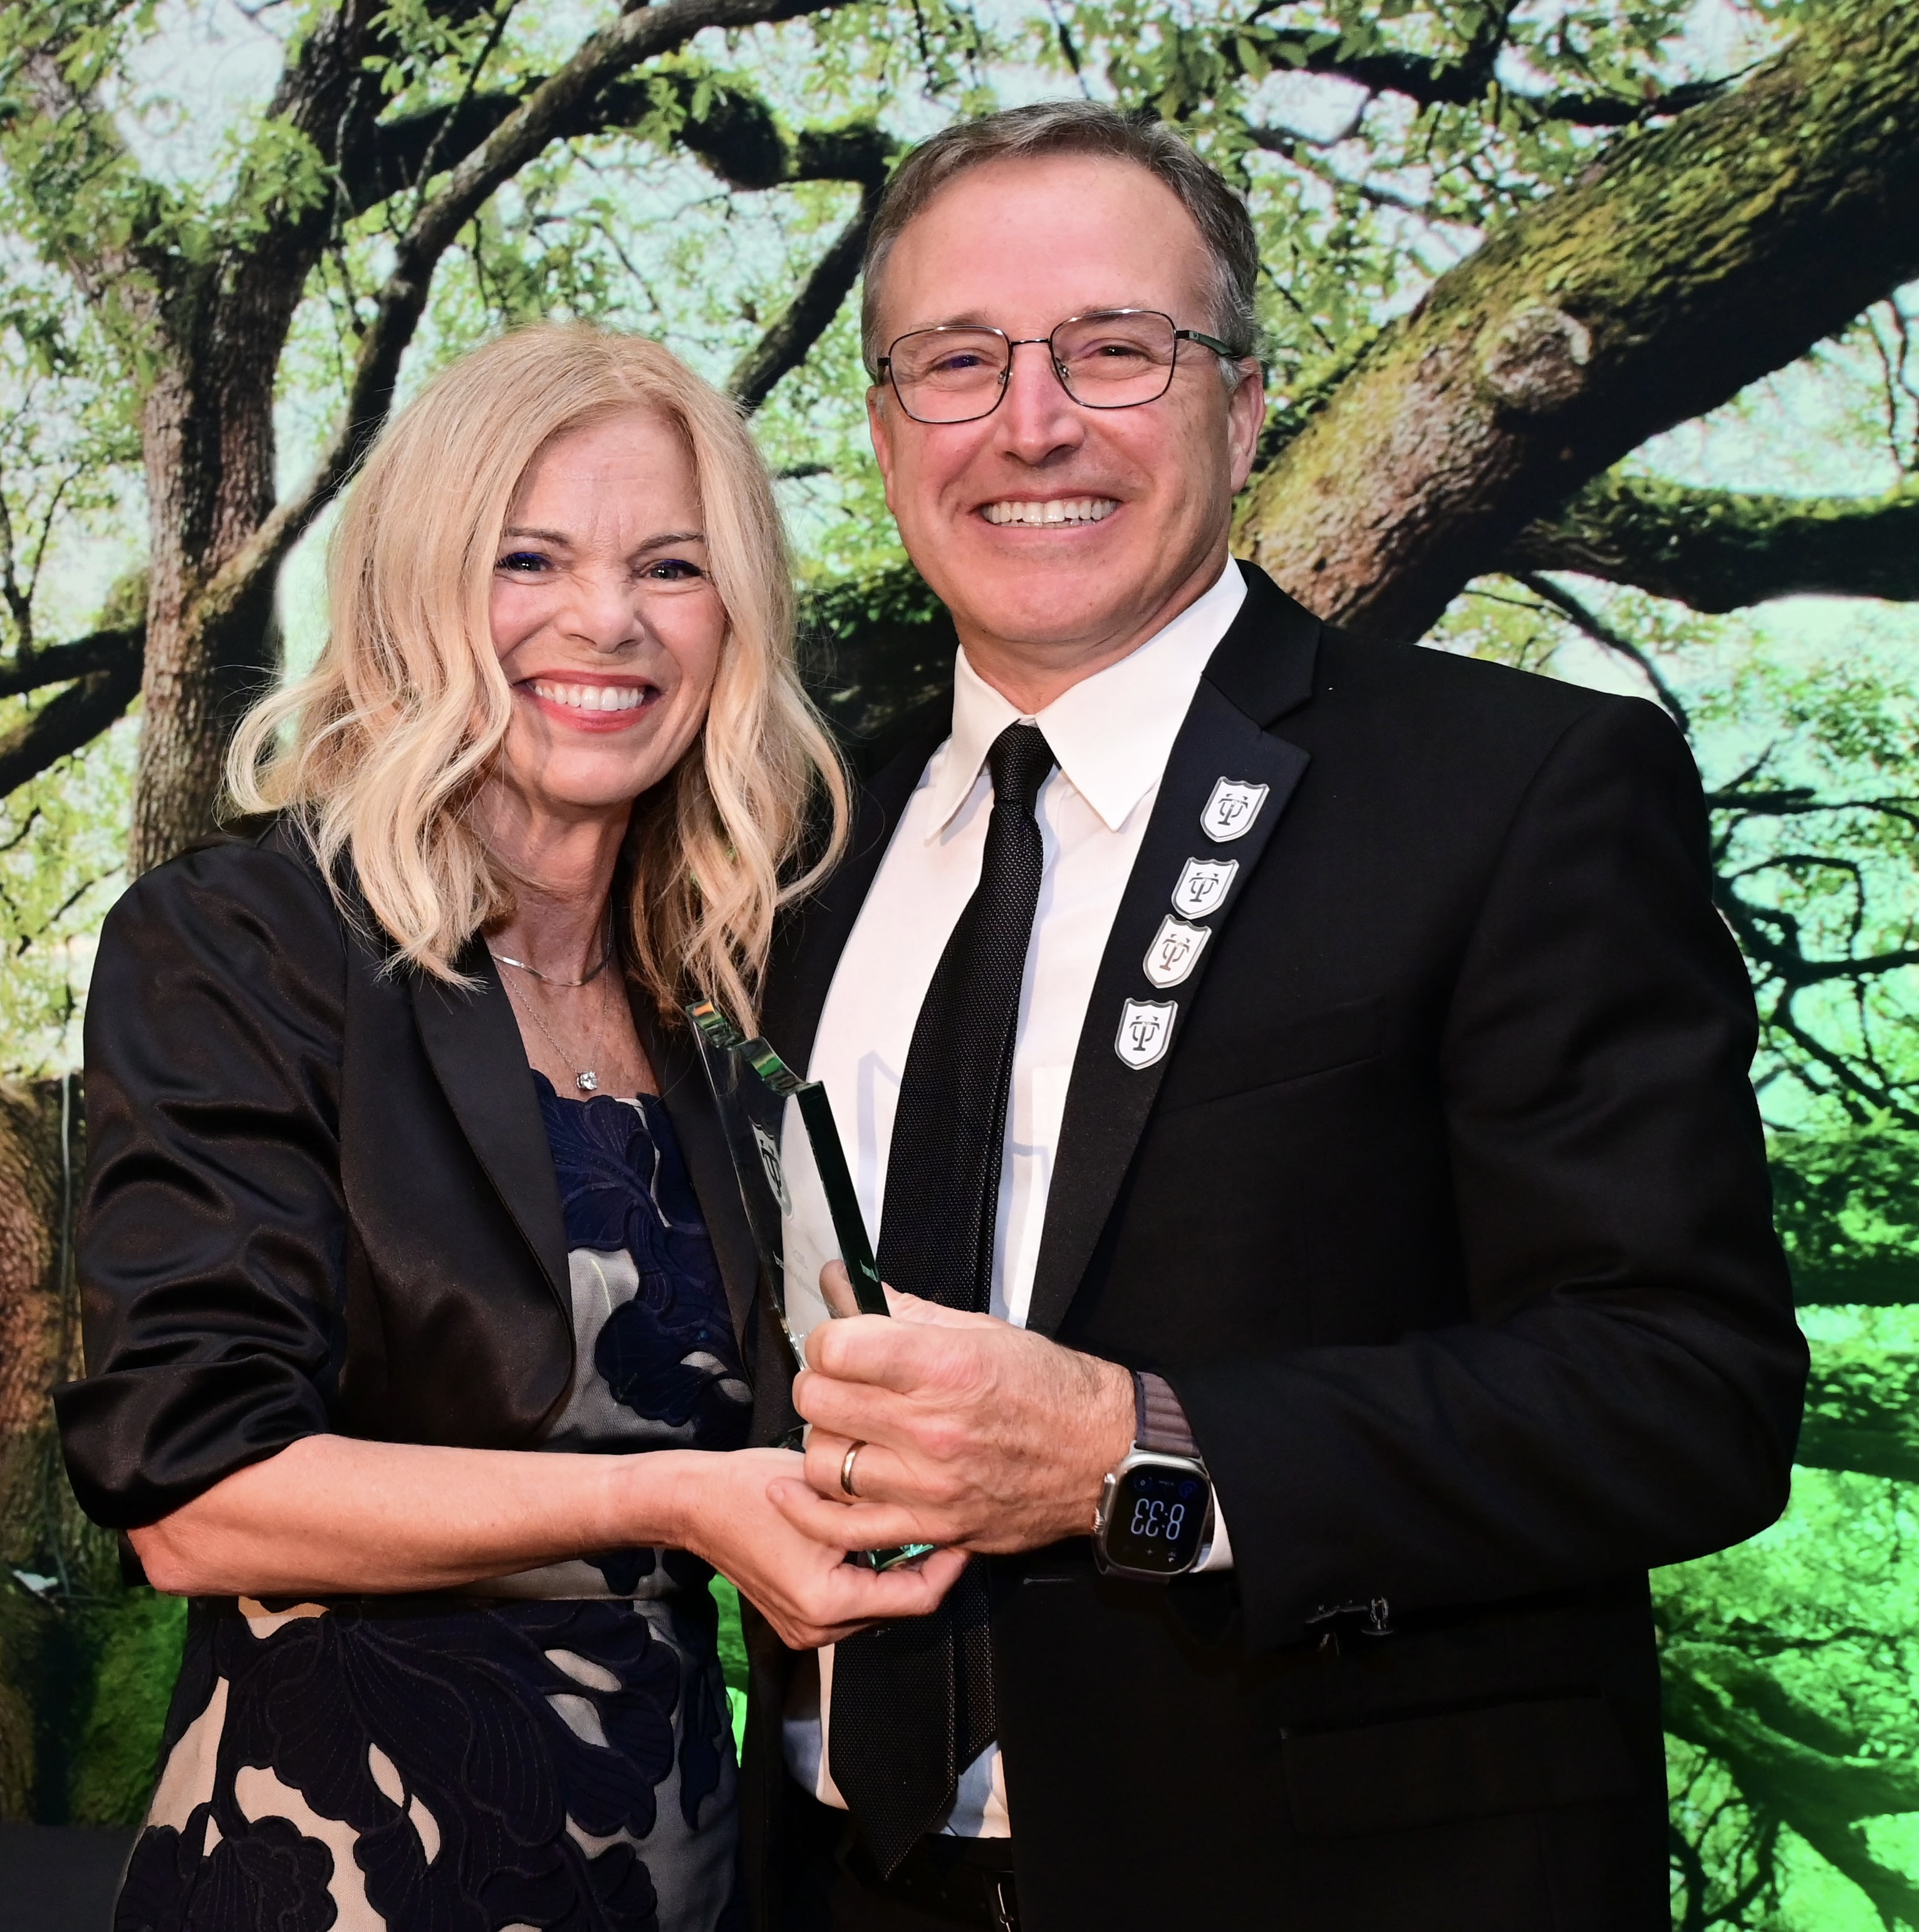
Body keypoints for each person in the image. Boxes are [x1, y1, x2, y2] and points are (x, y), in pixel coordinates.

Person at [736, 103, 1809, 1931]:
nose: (1030, 421)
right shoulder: (794, 853)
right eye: (955, 360)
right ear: (880, 427)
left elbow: (1683, 1389)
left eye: (1112, 349)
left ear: (1239, 406)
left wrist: (1136, 1450)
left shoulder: (1512, 786)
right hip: (834, 1879)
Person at [53, 323, 965, 1932]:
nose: (603, 621)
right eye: (526, 557)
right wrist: (667, 1502)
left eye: (670, 567)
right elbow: (194, 1497)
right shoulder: (245, 942)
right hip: (334, 1875)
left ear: (731, 621)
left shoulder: (735, 999)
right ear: (415, 584)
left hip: (687, 1875)